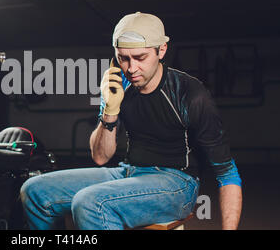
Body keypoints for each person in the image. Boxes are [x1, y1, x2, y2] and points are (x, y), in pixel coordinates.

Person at [20, 12, 242, 230]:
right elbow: (100, 157)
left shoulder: (190, 93)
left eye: (140, 57)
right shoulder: (118, 84)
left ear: (161, 50)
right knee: (35, 190)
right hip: (129, 172)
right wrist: (110, 109)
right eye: (123, 58)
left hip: (178, 183)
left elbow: (227, 172)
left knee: (90, 203)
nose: (131, 68)